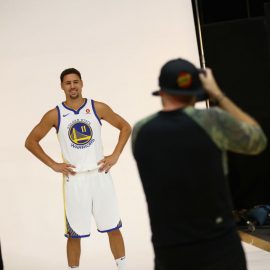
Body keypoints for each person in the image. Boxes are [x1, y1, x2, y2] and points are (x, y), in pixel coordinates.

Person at [132, 58, 267, 270]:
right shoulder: (212, 121)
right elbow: (257, 140)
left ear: (162, 91)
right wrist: (218, 95)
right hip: (219, 248)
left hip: (169, 251)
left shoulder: (140, 131)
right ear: (196, 92)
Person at [25, 68, 131, 270]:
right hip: (75, 179)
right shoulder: (55, 114)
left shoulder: (97, 107)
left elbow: (125, 126)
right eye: (68, 83)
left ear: (82, 83)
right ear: (62, 86)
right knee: (74, 234)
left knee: (113, 228)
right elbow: (31, 141)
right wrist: (54, 165)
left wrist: (116, 154)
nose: (72, 86)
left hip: (100, 175)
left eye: (75, 82)